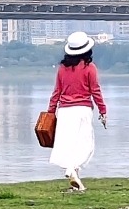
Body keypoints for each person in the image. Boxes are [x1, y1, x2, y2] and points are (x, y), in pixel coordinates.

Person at [46, 31, 107, 192]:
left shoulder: (62, 69)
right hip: (82, 110)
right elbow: (95, 91)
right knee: (85, 144)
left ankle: (75, 178)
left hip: (64, 111)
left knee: (68, 144)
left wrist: (50, 112)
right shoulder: (89, 68)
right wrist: (103, 110)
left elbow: (56, 92)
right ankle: (72, 169)